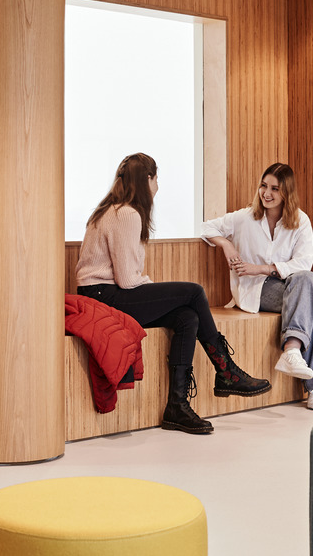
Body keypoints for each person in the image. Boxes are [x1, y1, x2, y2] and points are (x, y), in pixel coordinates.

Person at [76, 153, 271, 435]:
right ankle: (226, 371)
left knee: (186, 317)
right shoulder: (127, 214)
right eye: (156, 179)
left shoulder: (111, 210)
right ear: (147, 179)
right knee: (193, 292)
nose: (158, 186)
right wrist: (156, 287)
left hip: (100, 293)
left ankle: (176, 407)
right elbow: (129, 281)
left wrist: (158, 291)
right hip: (105, 296)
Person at [201, 162, 313, 410]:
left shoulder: (300, 220)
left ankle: (293, 351)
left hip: (289, 288)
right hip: (256, 292)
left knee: (308, 279)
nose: (266, 194)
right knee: (308, 296)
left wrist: (261, 268)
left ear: (287, 193)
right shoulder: (244, 217)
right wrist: (226, 245)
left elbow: (304, 262)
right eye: (264, 186)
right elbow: (204, 227)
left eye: (275, 189)